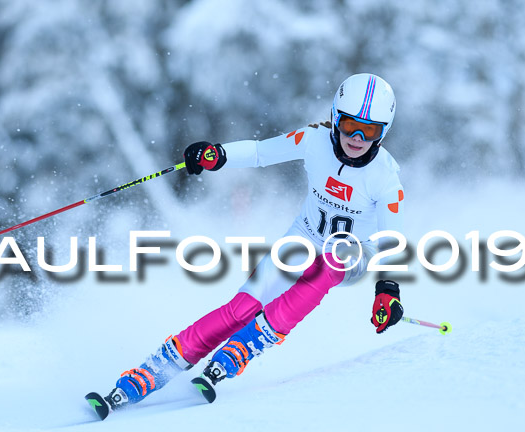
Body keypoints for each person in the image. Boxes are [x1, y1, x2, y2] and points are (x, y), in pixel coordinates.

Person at [94, 73, 405, 413]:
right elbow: (260, 152)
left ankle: (246, 346)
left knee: (331, 262)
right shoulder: (314, 140)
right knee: (241, 309)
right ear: (335, 118)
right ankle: (152, 371)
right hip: (303, 238)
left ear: (383, 131)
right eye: (348, 125)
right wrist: (217, 154)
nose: (357, 137)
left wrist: (387, 289)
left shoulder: (385, 177)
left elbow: (391, 239)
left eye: (370, 130)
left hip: (353, 253)